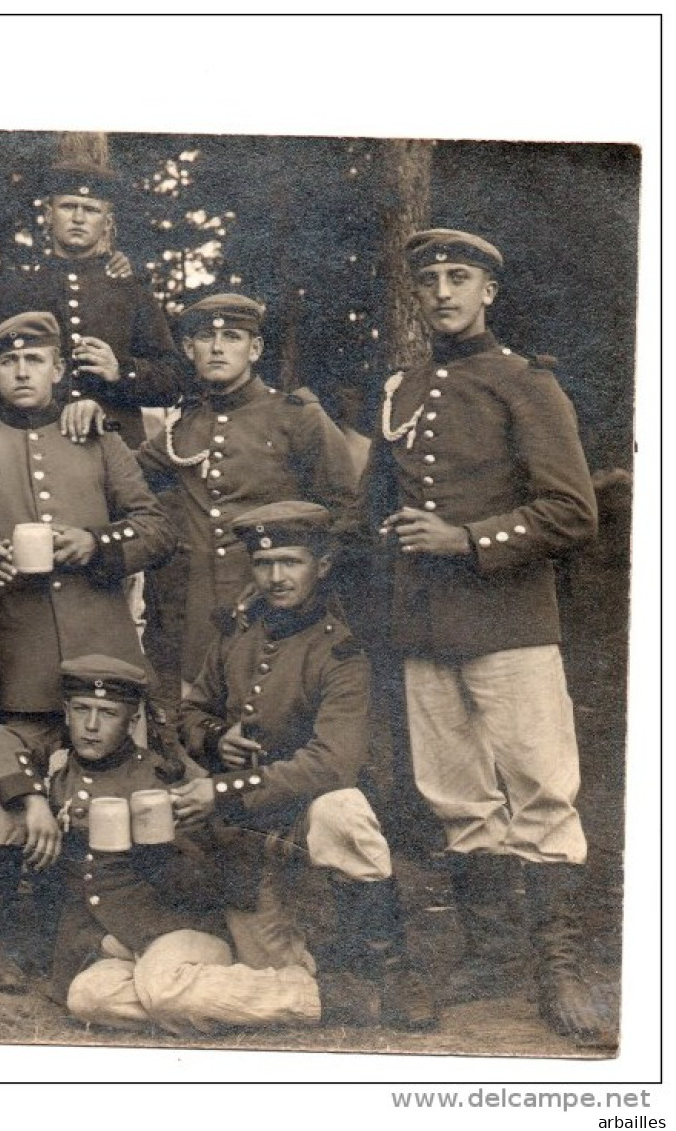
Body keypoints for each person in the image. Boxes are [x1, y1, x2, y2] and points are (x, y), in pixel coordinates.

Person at [368, 228, 605, 1045]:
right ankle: (485, 960)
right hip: (424, 628)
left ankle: (559, 972)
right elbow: (377, 503)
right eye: (428, 278)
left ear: (489, 291)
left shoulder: (523, 383)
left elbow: (572, 512)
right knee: (458, 799)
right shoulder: (402, 388)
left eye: (458, 276)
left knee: (540, 791)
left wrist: (467, 541)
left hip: (507, 621)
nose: (442, 291)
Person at [0, 656, 386, 1034]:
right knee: (87, 999)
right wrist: (32, 802)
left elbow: (225, 864)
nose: (91, 726)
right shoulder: (55, 768)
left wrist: (164, 853)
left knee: (163, 991)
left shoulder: (165, 779)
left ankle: (315, 997)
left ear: (131, 719)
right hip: (111, 942)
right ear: (66, 713)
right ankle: (216, 997)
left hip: (176, 930)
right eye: (81, 710)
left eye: (107, 714)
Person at [177, 501, 437, 1031]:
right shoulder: (236, 634)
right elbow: (190, 711)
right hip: (245, 831)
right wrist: (212, 737)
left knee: (343, 810)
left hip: (305, 812)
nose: (275, 577)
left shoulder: (341, 650)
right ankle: (325, 970)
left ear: (321, 565)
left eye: (290, 562)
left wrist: (227, 788)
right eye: (264, 564)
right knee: (277, 974)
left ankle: (390, 968)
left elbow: (331, 764)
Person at [0, 312, 175, 729]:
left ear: (58, 369)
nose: (23, 372)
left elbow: (156, 529)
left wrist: (96, 542)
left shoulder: (99, 439)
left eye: (34, 360)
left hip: (107, 657)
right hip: (21, 666)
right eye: (9, 364)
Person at [138, 294, 360, 688]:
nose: (219, 348)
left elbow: (345, 513)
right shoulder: (182, 426)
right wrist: (91, 421)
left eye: (234, 337)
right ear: (190, 349)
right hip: (201, 613)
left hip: (281, 606)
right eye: (206, 338)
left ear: (254, 349)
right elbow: (125, 475)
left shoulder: (297, 416)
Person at [0, 159, 183, 445]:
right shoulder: (16, 288)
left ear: (107, 222)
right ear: (49, 215)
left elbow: (173, 382)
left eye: (90, 210)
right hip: (37, 445)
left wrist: (120, 371)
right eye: (68, 206)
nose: (78, 218)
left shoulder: (131, 290)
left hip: (114, 446)